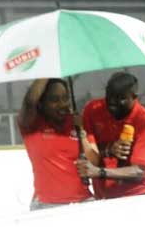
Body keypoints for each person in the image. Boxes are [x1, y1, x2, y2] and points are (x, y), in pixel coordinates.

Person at [75, 71, 145, 198]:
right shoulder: (93, 110)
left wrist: (100, 172)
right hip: (104, 196)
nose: (113, 103)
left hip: (137, 195)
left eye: (121, 98)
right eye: (109, 97)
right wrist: (108, 149)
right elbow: (93, 157)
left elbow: (139, 171)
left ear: (134, 96)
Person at [16, 77, 94, 209]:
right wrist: (48, 68)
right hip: (46, 205)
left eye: (65, 98)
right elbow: (30, 102)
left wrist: (81, 131)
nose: (62, 104)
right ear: (41, 103)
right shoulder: (32, 125)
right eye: (54, 100)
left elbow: (95, 161)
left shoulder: (76, 122)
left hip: (84, 201)